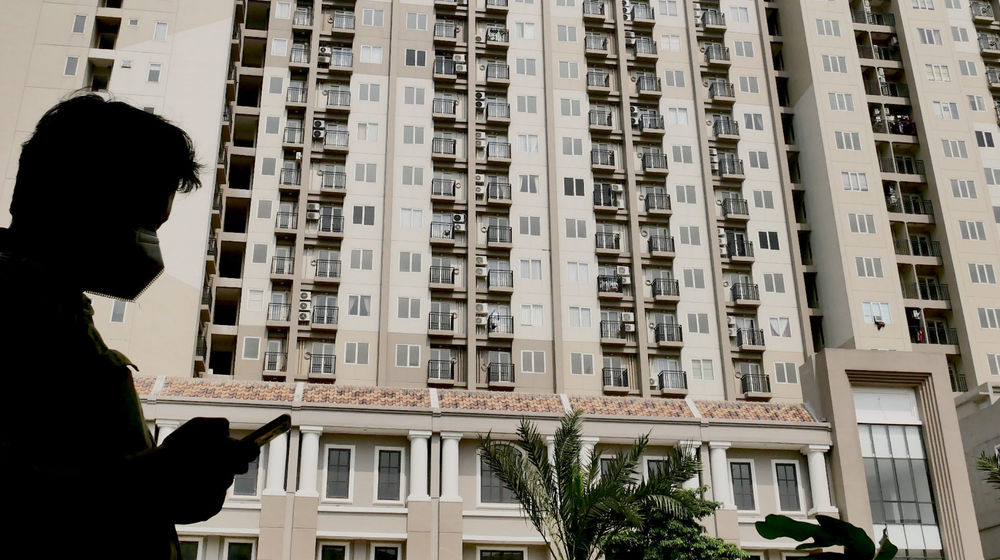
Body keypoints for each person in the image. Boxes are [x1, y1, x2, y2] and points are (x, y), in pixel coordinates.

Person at [0, 92, 258, 559]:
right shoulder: (11, 310)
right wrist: (155, 478)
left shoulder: (60, 315)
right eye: (141, 223)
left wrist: (169, 484)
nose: (148, 246)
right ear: (77, 197)